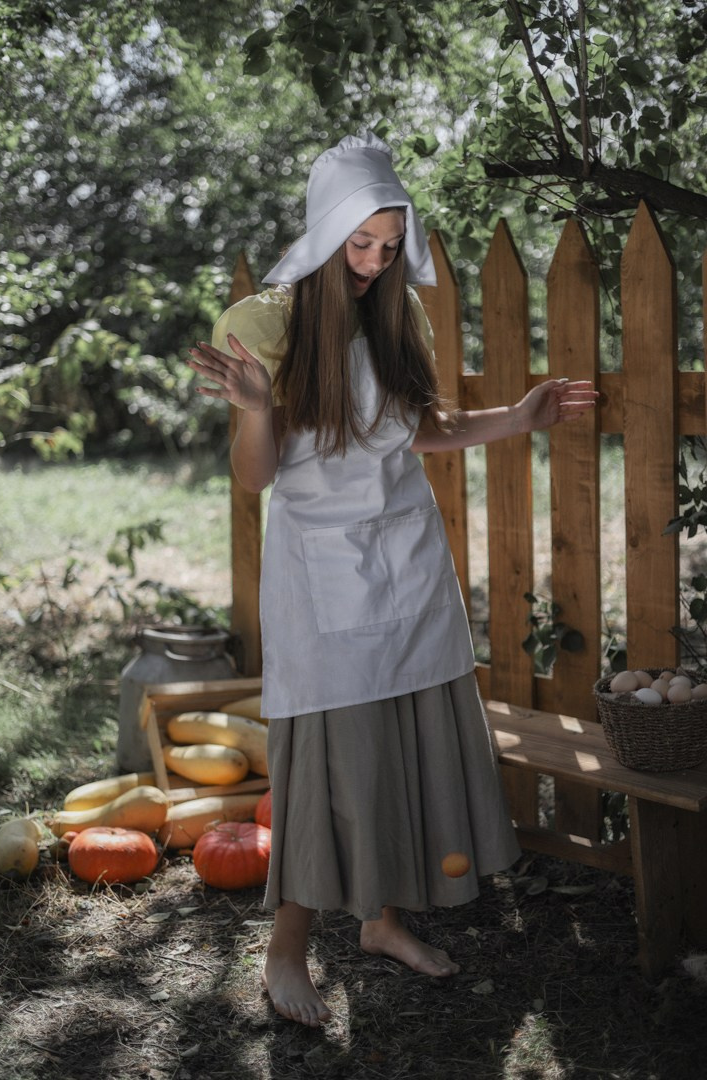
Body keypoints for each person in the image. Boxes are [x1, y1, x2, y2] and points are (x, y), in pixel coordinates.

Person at [187, 133, 598, 1028]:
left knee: (405, 746)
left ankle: (381, 923)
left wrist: (519, 416)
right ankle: (287, 952)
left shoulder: (394, 317)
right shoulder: (270, 329)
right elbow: (256, 479)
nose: (373, 261)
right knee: (333, 768)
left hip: (408, 563)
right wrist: (258, 411)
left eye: (386, 242)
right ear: (325, 234)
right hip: (322, 576)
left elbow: (424, 428)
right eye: (358, 243)